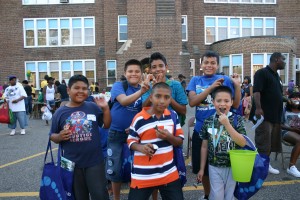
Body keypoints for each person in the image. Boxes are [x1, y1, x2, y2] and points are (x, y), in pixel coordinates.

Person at [186, 50, 241, 199]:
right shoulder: (195, 80)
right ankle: (207, 194)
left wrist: (237, 86)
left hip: (223, 130)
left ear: (217, 65)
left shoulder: (225, 79)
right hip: (201, 130)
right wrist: (210, 88)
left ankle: (225, 194)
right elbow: (192, 102)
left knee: (224, 165)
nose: (209, 65)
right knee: (201, 167)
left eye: (213, 63)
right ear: (201, 64)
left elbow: (235, 104)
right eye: (206, 62)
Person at [49, 74, 110, 200]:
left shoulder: (93, 107)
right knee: (78, 196)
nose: (81, 91)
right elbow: (52, 136)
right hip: (70, 163)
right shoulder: (60, 112)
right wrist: (59, 136)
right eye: (76, 88)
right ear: (68, 90)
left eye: (84, 88)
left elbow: (106, 124)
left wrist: (105, 109)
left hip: (95, 161)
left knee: (100, 195)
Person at [141, 52, 188, 199]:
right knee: (154, 166)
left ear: (166, 67)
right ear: (150, 70)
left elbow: (183, 109)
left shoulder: (175, 85)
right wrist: (154, 89)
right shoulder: (147, 86)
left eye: (160, 66)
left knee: (172, 167)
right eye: (154, 67)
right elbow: (143, 108)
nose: (157, 69)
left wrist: (166, 94)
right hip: (152, 132)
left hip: (172, 132)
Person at [127, 82, 184, 200]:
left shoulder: (173, 116)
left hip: (169, 174)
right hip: (143, 176)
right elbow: (130, 141)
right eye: (158, 96)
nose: (162, 101)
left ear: (170, 100)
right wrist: (141, 148)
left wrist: (169, 137)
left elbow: (179, 141)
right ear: (151, 98)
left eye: (166, 97)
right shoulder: (139, 118)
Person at [106, 59, 150, 200]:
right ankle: (116, 198)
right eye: (130, 71)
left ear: (141, 73)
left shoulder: (144, 88)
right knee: (115, 168)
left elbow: (144, 110)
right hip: (116, 133)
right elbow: (124, 101)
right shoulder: (118, 85)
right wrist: (141, 91)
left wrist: (133, 127)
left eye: (137, 71)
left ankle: (135, 196)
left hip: (134, 134)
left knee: (136, 167)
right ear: (125, 73)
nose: (134, 74)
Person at [197, 86, 247, 200]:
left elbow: (243, 142)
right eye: (218, 101)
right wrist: (201, 168)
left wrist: (227, 124)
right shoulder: (208, 121)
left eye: (226, 101)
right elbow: (204, 146)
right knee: (217, 196)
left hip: (233, 166)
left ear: (232, 102)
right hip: (214, 166)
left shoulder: (237, 120)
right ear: (213, 102)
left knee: (230, 195)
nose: (222, 104)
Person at [253, 52, 286, 175]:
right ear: (277, 59)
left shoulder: (277, 76)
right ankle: (262, 166)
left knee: (271, 142)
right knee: (263, 142)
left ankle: (265, 163)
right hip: (264, 116)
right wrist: (258, 108)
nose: (284, 62)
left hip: (275, 116)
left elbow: (276, 94)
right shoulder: (262, 73)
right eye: (283, 59)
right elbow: (256, 91)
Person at [281, 92, 300, 178]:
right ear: (289, 100)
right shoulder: (285, 110)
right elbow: (279, 125)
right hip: (286, 132)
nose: (296, 99)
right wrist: (293, 129)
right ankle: (291, 167)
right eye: (294, 98)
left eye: (298, 98)